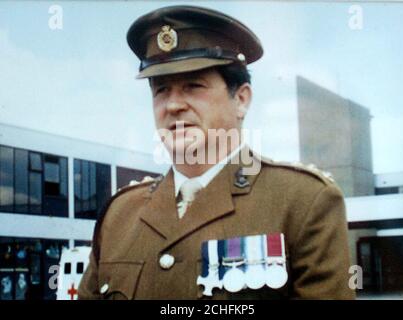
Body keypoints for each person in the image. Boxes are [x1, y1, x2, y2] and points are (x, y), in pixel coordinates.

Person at [78, 5, 355, 300]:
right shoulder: (120, 214)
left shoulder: (303, 202)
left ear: (241, 99)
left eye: (193, 86)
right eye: (161, 90)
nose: (173, 105)